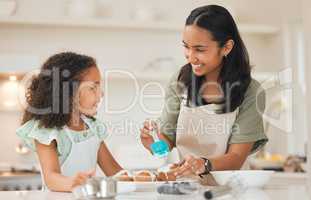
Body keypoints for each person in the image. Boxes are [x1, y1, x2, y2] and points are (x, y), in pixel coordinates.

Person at [140, 5, 268, 178]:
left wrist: (204, 163)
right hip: (187, 186)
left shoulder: (250, 91)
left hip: (231, 188)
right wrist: (153, 143)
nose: (191, 57)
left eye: (199, 49)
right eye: (186, 47)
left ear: (227, 47)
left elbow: (236, 157)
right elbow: (167, 141)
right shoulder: (179, 81)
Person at [16, 52, 123, 192]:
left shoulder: (93, 128)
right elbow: (51, 178)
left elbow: (115, 173)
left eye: (99, 87)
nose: (100, 94)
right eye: (92, 88)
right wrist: (72, 182)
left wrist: (143, 178)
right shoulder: (47, 131)